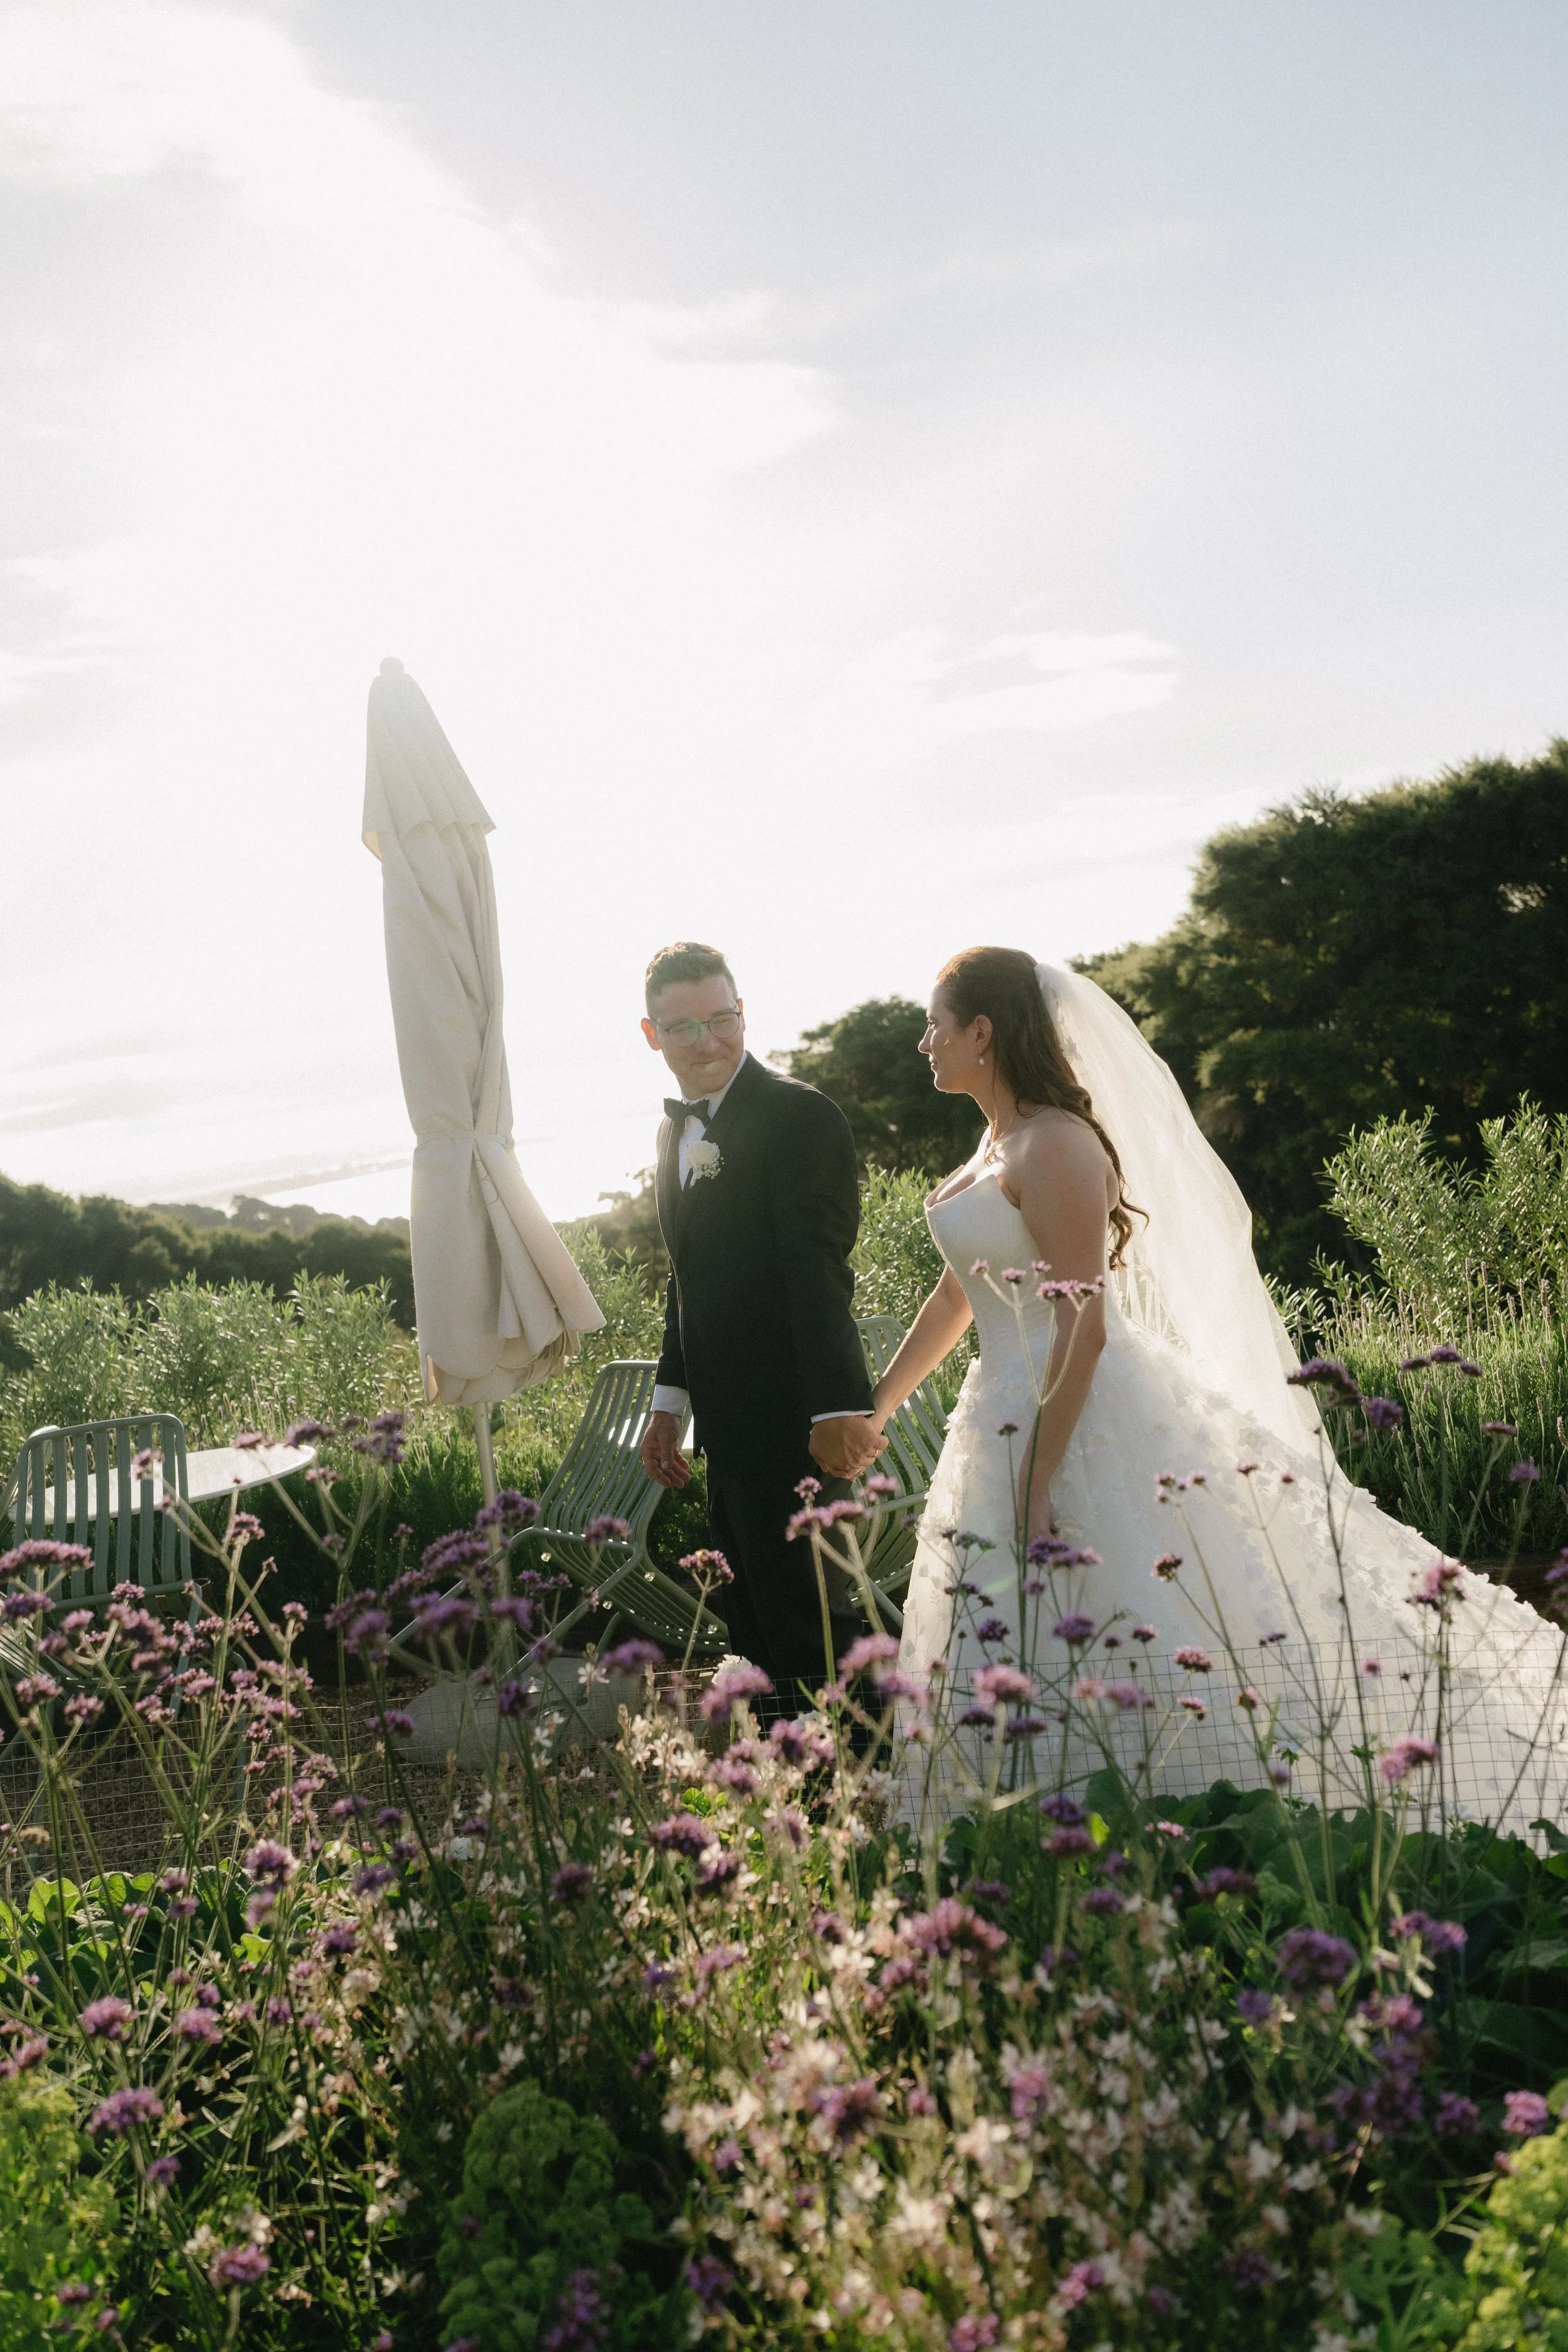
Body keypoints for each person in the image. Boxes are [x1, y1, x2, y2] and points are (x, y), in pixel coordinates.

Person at [867, 945, 1568, 1830]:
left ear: (982, 1030)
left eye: (935, 1025)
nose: (924, 1042)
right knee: (1004, 1631)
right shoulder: (992, 1144)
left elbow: (1083, 1326)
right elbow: (956, 1292)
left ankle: (1177, 1830)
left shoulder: (1054, 1145)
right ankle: (1010, 1836)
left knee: (1125, 1622)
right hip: (998, 1411)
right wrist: (880, 1405)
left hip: (1069, 1414)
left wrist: (1039, 1480)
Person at [638, 942, 884, 1708]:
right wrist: (668, 1404)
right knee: (757, 1626)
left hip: (797, 1429)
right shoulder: (673, 1134)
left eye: (720, 1019)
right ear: (651, 1036)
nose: (705, 1041)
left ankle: (878, 1791)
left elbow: (815, 1271)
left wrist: (837, 1409)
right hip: (727, 1434)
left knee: (820, 1627)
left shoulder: (797, 1115)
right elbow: (689, 1279)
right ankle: (806, 1801)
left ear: (742, 1014)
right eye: (682, 1028)